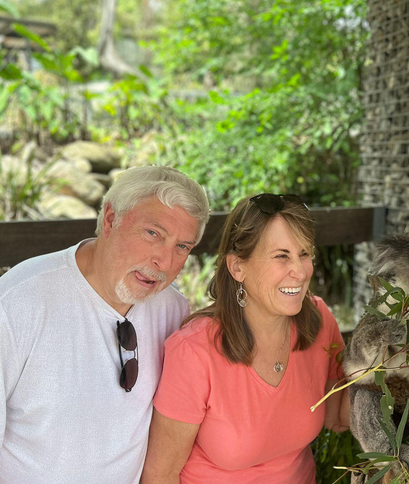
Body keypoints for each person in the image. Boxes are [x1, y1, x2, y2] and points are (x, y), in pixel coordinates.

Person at [0, 166, 210, 484]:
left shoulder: (172, 308)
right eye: (153, 234)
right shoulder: (14, 304)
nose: (165, 262)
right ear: (111, 219)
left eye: (182, 247)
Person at [142, 193, 348, 484]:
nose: (300, 272)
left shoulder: (318, 320)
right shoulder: (194, 352)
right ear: (238, 267)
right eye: (281, 256)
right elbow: (160, 475)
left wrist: (380, 360)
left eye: (305, 254)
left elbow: (338, 419)